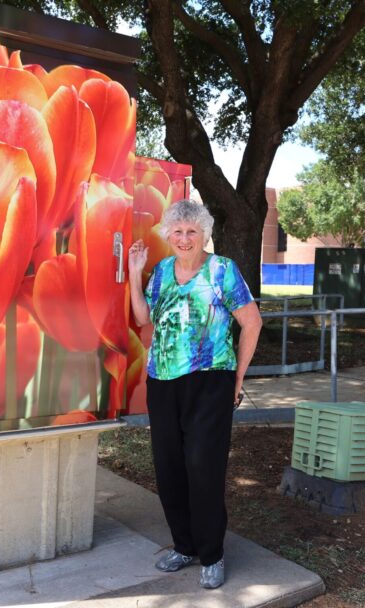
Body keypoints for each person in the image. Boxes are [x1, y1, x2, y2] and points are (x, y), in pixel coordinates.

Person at [128, 200, 262, 590]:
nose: (184, 238)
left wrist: (237, 378)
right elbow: (143, 318)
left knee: (203, 466)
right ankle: (184, 546)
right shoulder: (162, 271)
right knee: (169, 467)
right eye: (178, 231)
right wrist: (135, 274)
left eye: (192, 231)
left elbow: (252, 323)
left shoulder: (222, 270)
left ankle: (212, 554)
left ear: (205, 234)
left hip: (210, 382)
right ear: (168, 235)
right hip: (163, 382)